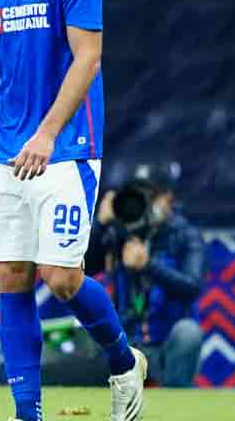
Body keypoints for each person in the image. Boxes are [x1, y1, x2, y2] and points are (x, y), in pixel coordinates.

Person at [0, 0, 147, 421]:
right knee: (12, 277)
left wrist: (47, 133)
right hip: (2, 150)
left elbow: (87, 58)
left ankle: (123, 363)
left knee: (63, 278)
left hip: (66, 149)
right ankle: (28, 413)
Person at [91, 166, 205, 387]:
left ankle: (175, 404)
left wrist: (148, 266)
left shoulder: (184, 235)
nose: (143, 202)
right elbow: (82, 268)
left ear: (167, 198)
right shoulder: (119, 232)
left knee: (189, 333)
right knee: (88, 334)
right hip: (125, 341)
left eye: (150, 196)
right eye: (137, 195)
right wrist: (101, 224)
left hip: (166, 343)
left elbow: (192, 287)